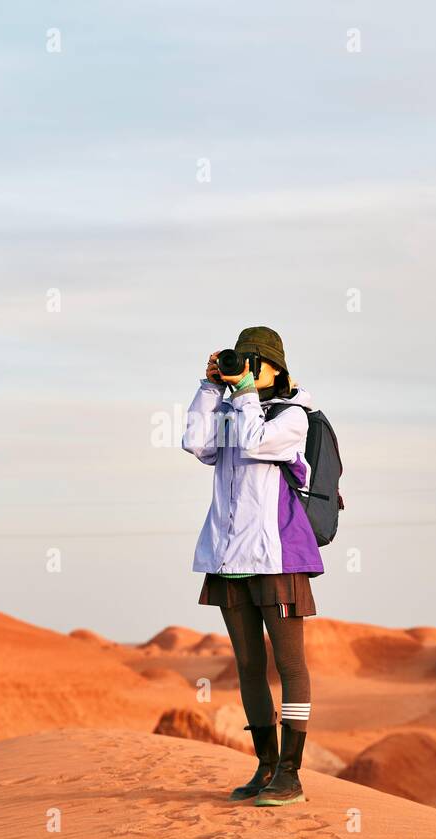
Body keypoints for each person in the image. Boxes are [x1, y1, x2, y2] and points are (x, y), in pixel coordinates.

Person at [181, 326, 323, 806]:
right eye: (240, 359)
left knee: (290, 664)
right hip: (228, 559)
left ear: (275, 368)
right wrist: (209, 388)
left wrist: (241, 393)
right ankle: (265, 765)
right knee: (247, 664)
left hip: (277, 558)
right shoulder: (230, 409)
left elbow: (255, 440)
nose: (244, 367)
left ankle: (291, 773)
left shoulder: (293, 416)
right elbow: (196, 443)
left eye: (253, 361)